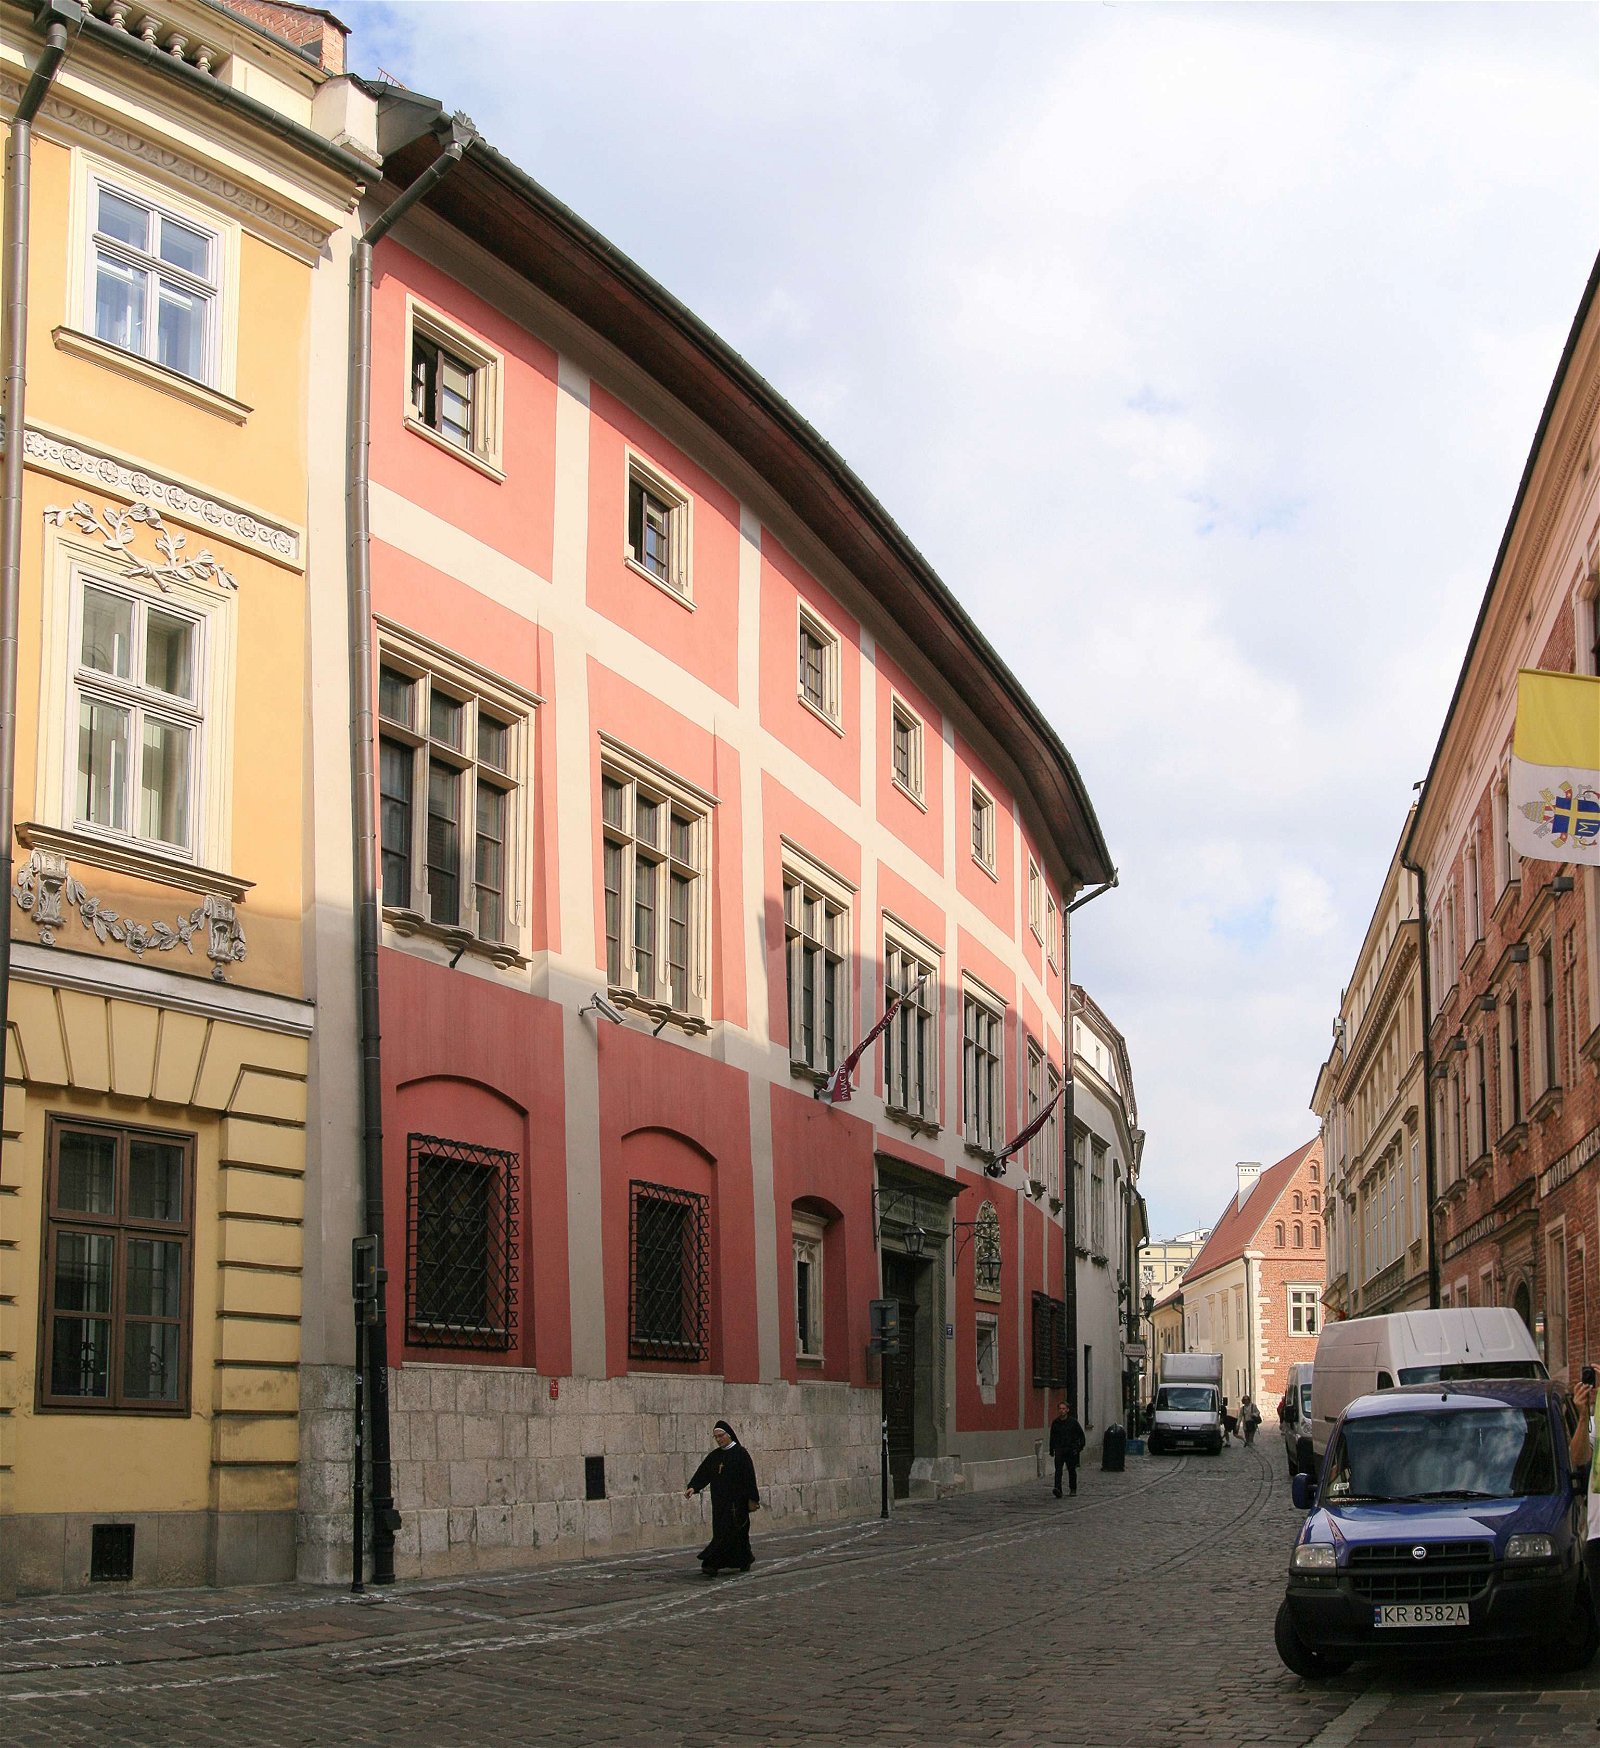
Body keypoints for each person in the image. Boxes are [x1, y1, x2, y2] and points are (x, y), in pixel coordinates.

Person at [686, 1419, 760, 1576]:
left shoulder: (741, 1453)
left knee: (733, 1534)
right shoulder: (715, 1456)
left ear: (729, 1435)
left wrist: (752, 1499)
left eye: (721, 1436)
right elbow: (704, 1473)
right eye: (716, 1437)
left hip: (736, 1504)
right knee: (722, 1532)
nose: (719, 1440)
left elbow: (749, 1478)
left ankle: (711, 1564)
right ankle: (744, 1559)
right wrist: (694, 1487)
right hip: (719, 1503)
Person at [1048, 1399, 1086, 1497]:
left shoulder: (1073, 1422)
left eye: (1064, 1409)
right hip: (1059, 1449)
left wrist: (1078, 1448)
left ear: (1067, 1410)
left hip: (1070, 1449)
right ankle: (1058, 1489)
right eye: (1060, 1409)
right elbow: (1052, 1437)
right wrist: (1051, 1449)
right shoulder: (1055, 1423)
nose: (1062, 1411)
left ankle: (1073, 1489)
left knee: (1071, 1470)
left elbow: (1081, 1436)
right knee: (1058, 1470)